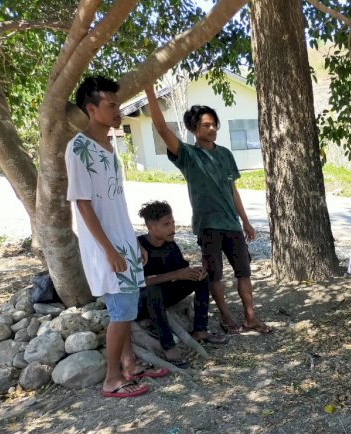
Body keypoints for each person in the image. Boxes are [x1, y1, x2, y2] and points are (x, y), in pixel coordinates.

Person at [66, 76, 167, 399]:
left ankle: (130, 365)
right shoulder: (79, 147)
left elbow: (116, 203)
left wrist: (133, 242)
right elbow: (82, 204)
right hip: (104, 247)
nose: (117, 111)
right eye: (110, 105)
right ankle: (111, 380)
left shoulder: (109, 148)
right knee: (122, 311)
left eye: (117, 105)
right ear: (91, 109)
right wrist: (108, 250)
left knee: (124, 310)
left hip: (122, 243)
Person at [144, 84, 271, 334]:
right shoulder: (187, 155)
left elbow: (232, 190)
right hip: (208, 226)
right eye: (206, 125)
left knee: (244, 272)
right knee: (215, 276)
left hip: (232, 225)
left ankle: (250, 317)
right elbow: (161, 128)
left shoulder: (225, 155)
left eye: (214, 124)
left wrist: (245, 221)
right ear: (193, 128)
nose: (212, 128)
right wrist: (149, 91)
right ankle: (226, 317)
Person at [137, 201, 228, 367]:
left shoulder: (170, 245)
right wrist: (176, 274)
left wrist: (197, 271)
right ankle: (168, 346)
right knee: (153, 290)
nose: (172, 228)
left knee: (201, 279)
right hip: (139, 303)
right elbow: (138, 282)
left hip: (163, 296)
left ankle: (200, 330)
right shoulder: (138, 247)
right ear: (150, 226)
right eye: (166, 224)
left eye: (173, 222)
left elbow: (182, 271)